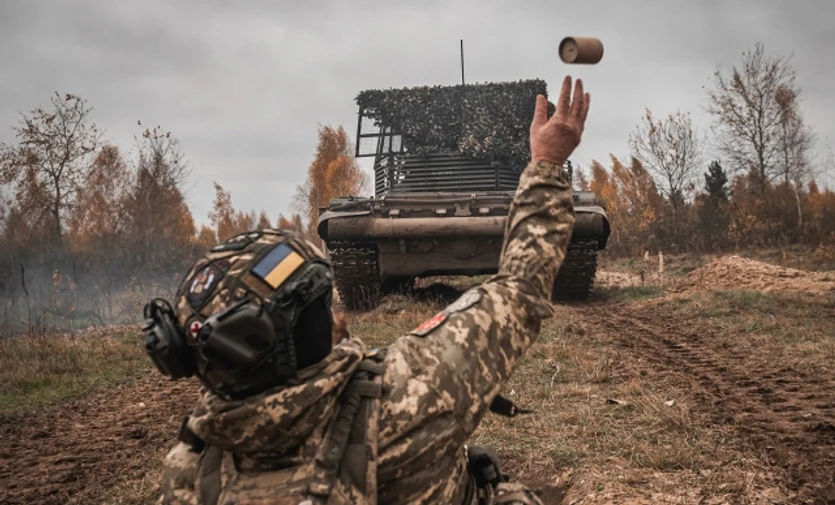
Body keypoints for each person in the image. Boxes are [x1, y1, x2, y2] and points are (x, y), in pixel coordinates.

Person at [144, 75, 590, 505]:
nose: (335, 313)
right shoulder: (412, 394)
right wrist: (547, 162)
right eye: (321, 302)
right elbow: (520, 287)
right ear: (308, 327)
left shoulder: (187, 469)